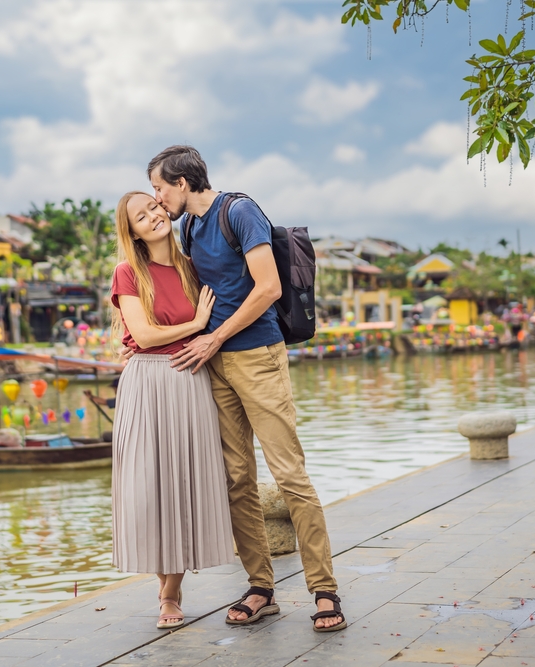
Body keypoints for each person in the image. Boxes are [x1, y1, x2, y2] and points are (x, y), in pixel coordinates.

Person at [147, 145, 347, 632]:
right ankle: (261, 587)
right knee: (237, 479)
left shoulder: (239, 211)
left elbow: (268, 288)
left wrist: (215, 336)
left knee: (289, 474)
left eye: (159, 188)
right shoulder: (189, 228)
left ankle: (325, 592)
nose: (157, 199)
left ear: (183, 182)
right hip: (215, 366)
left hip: (258, 357)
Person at [110, 190, 235, 631]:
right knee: (149, 486)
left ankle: (171, 593)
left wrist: (206, 334)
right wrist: (196, 325)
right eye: (140, 217)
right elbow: (142, 335)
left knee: (183, 483)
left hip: (189, 381)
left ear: (166, 208)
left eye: (153, 207)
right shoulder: (128, 272)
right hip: (146, 382)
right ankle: (163, 585)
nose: (152, 217)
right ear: (134, 232)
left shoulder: (192, 266)